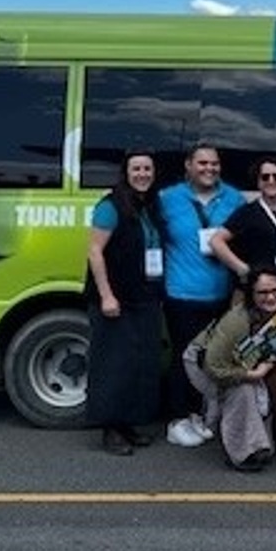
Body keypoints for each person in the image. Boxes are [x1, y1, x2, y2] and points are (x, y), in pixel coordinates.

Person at [83, 150, 167, 455]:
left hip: (143, 297)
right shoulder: (110, 205)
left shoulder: (149, 206)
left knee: (139, 365)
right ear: (125, 172)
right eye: (137, 169)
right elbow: (95, 251)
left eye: (147, 169)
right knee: (113, 365)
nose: (142, 174)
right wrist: (106, 295)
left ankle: (128, 425)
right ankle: (110, 430)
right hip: (116, 299)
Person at [159, 142, 245, 425]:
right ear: (188, 165)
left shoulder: (234, 198)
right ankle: (178, 418)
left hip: (220, 295)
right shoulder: (167, 198)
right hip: (181, 294)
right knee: (184, 358)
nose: (209, 169)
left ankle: (200, 414)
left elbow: (241, 245)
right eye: (203, 163)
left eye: (214, 164)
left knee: (212, 359)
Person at [195, 264, 276, 472]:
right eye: (262, 293)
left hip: (252, 362)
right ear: (251, 294)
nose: (271, 297)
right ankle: (242, 453)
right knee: (243, 390)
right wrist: (250, 374)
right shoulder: (236, 321)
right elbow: (214, 366)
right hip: (207, 364)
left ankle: (270, 435)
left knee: (273, 378)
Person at [211, 156, 276, 297]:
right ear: (258, 182)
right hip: (258, 292)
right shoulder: (248, 212)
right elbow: (216, 241)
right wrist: (242, 268)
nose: (271, 181)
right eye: (265, 177)